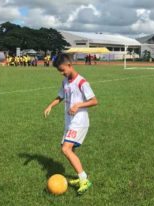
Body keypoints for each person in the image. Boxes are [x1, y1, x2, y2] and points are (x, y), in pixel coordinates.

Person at [44, 53, 98, 195]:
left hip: (79, 122)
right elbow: (60, 97)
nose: (61, 73)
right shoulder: (65, 82)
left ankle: (84, 179)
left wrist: (78, 105)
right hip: (70, 122)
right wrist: (50, 106)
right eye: (59, 71)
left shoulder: (82, 82)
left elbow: (94, 101)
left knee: (66, 149)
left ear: (69, 65)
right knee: (69, 149)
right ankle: (81, 177)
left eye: (62, 70)